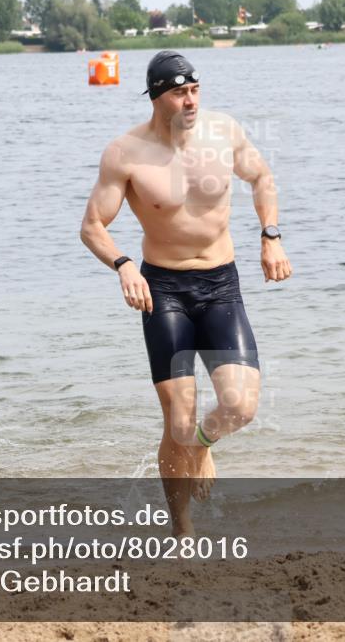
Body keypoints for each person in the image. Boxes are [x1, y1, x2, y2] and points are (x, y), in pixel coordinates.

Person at [80, 51, 292, 536]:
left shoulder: (225, 133)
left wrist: (270, 234)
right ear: (158, 97)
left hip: (221, 283)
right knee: (178, 419)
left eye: (195, 89)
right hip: (164, 290)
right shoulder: (126, 152)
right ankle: (182, 529)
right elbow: (92, 226)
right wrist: (124, 265)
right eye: (179, 92)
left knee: (240, 406)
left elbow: (261, 177)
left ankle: (202, 446)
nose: (191, 100)